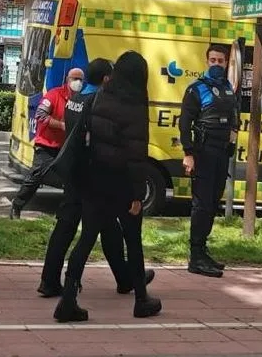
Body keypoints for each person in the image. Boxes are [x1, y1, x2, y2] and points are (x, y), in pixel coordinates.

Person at [54, 51, 162, 323]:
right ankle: (141, 299)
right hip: (123, 184)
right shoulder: (135, 104)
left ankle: (68, 300)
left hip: (94, 180)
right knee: (133, 242)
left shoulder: (99, 96)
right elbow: (137, 155)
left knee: (86, 239)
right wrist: (137, 195)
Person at [178, 45, 239, 278]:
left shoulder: (228, 89)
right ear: (206, 62)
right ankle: (195, 257)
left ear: (226, 64)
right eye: (212, 60)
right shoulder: (196, 89)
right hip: (203, 152)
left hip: (222, 153)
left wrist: (232, 142)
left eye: (220, 61)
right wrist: (188, 153)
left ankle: (203, 250)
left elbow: (234, 120)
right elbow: (185, 124)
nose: (216, 64)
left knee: (213, 202)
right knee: (201, 204)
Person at [10, 68, 84, 219]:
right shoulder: (54, 95)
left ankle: (64, 215)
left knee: (71, 181)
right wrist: (61, 125)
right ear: (67, 79)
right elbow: (40, 114)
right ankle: (17, 205)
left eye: (81, 79)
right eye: (75, 78)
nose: (78, 82)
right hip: (47, 145)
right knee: (35, 177)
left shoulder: (80, 100)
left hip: (65, 147)